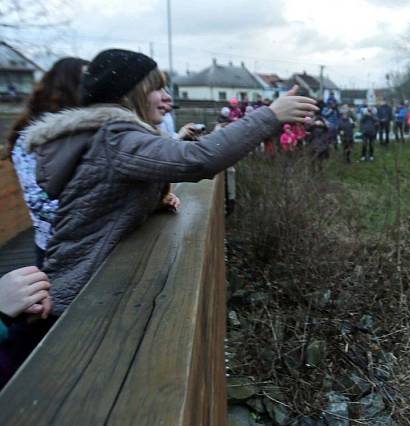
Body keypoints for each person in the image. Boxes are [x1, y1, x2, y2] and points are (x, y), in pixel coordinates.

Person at [15, 49, 316, 373]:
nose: (166, 97)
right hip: (81, 297)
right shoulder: (117, 138)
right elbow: (197, 159)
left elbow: (105, 193)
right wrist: (270, 116)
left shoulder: (110, 136)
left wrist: (152, 200)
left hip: (83, 285)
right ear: (131, 94)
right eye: (157, 88)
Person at [5, 58, 87, 267]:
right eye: (87, 81)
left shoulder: (90, 133)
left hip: (94, 243)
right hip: (57, 249)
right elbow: (39, 202)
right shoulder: (30, 139)